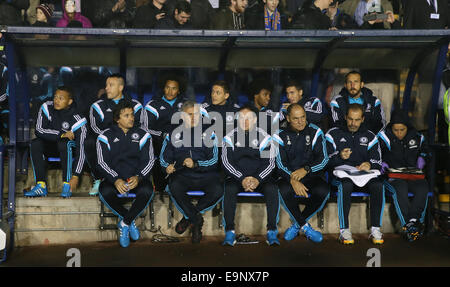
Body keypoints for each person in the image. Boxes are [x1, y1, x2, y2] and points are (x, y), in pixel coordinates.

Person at [160, 101, 223, 244]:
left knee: (219, 190)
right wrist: (167, 167)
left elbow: (214, 161)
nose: (194, 117)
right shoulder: (172, 135)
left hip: (205, 175)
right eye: (189, 115)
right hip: (182, 176)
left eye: (196, 114)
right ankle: (196, 220)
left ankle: (188, 218)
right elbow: (164, 159)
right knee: (173, 186)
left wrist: (196, 164)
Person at [96, 100, 155, 248]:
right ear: (117, 119)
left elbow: (149, 161)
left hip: (136, 179)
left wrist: (139, 177)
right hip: (114, 179)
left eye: (132, 115)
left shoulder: (143, 135)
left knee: (148, 190)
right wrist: (116, 180)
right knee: (104, 191)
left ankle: (124, 223)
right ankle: (129, 219)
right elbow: (102, 163)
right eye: (126, 115)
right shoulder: (105, 136)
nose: (131, 118)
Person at [326, 103, 385, 245]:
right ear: (346, 117)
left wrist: (369, 164)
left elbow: (377, 160)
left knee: (378, 185)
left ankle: (376, 229)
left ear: (363, 119)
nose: (353, 123)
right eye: (351, 119)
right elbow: (325, 160)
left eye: (357, 120)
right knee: (345, 185)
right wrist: (339, 156)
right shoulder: (333, 133)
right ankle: (344, 230)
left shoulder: (370, 136)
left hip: (363, 175)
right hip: (340, 175)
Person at [221, 105, 279, 246]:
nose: (245, 121)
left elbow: (270, 163)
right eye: (241, 118)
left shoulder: (265, 137)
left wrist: (257, 179)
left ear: (255, 120)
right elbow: (227, 162)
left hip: (260, 179)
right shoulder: (229, 137)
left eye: (249, 118)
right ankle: (229, 232)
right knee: (228, 188)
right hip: (237, 178)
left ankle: (272, 231)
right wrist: (242, 179)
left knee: (272, 188)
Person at [275, 104, 330, 243]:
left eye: (303, 117)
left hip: (311, 175)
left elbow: (323, 160)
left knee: (323, 191)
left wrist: (306, 169)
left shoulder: (315, 131)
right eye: (295, 118)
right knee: (282, 189)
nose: (300, 122)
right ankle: (306, 228)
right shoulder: (279, 134)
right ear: (287, 118)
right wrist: (293, 179)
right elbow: (279, 164)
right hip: (288, 176)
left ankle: (297, 225)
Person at [24, 86, 88, 198]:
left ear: (69, 101)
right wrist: (61, 134)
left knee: (65, 143)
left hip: (68, 149)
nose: (56, 101)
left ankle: (67, 184)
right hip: (51, 146)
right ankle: (41, 185)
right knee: (35, 143)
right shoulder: (46, 107)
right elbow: (39, 130)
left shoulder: (79, 119)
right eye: (55, 97)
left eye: (61, 98)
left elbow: (81, 150)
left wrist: (76, 175)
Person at [88, 73, 144, 196]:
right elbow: (94, 128)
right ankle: (98, 179)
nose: (106, 88)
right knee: (89, 142)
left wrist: (124, 137)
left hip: (129, 140)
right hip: (106, 142)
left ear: (120, 87)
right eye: (106, 85)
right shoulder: (97, 106)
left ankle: (133, 179)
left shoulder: (136, 105)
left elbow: (141, 128)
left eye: (111, 85)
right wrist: (111, 138)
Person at [378, 110, 430, 242]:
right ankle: (409, 227)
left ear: (407, 127)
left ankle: (413, 222)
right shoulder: (384, 137)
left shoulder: (417, 137)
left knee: (423, 188)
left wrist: (422, 157)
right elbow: (375, 155)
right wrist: (381, 163)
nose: (399, 133)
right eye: (396, 130)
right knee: (400, 189)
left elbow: (426, 151)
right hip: (392, 176)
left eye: (402, 129)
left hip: (413, 175)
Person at [143, 75, 185, 197]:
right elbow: (146, 128)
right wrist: (162, 134)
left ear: (179, 90)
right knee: (161, 152)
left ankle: (176, 185)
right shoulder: (153, 105)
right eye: (167, 88)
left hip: (179, 141)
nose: (170, 91)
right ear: (163, 88)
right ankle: (160, 187)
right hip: (159, 141)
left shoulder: (185, 104)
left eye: (174, 88)